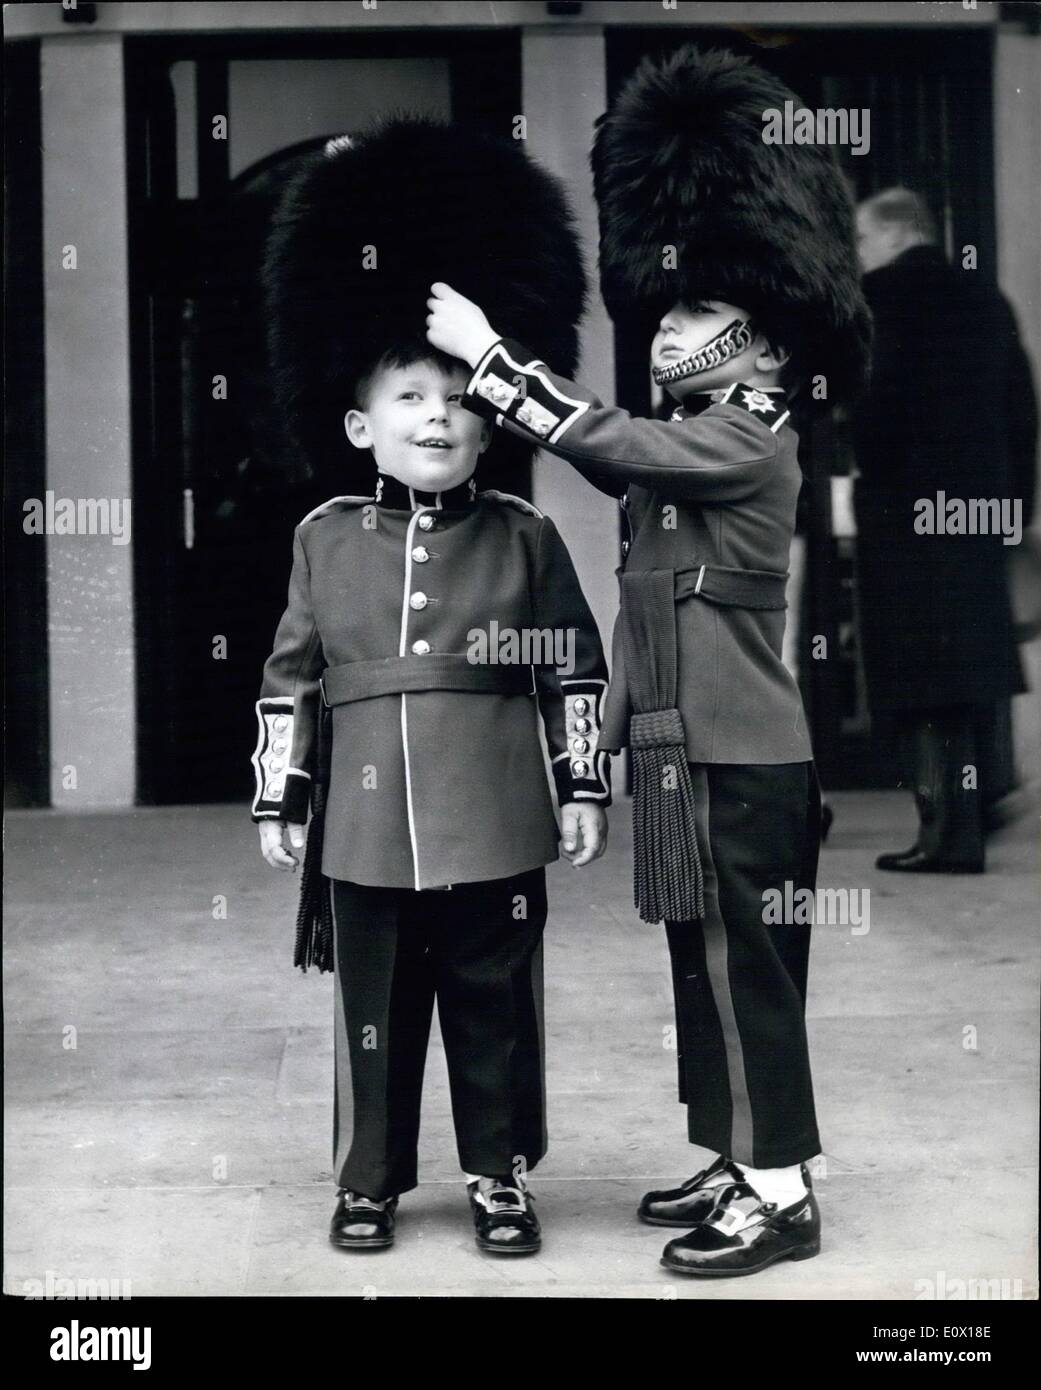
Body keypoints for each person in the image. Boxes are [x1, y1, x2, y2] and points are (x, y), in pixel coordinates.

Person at [426, 45, 872, 1278]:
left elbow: (604, 439)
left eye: (688, 312)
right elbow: (641, 609)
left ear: (757, 331)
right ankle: (741, 1154)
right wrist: (603, 752)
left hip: (741, 749)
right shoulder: (700, 434)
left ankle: (781, 1194)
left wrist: (491, 360)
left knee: (746, 976)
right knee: (705, 970)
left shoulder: (746, 434)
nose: (667, 327)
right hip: (686, 749)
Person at [252, 118, 610, 1256]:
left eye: (459, 396)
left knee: (496, 1001)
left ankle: (499, 1172)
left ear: (489, 420)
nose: (439, 415)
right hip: (360, 827)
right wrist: (282, 796)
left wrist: (584, 786)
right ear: (359, 425)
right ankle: (369, 1178)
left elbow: (571, 666)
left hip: (497, 810)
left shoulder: (523, 533)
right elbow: (294, 674)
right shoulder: (324, 537)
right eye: (410, 396)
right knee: (375, 1014)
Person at [853, 187, 1037, 872]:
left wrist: (864, 465)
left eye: (863, 238)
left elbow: (875, 402)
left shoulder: (880, 300)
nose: (858, 252)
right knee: (970, 667)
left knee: (918, 680)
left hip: (904, 515)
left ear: (898, 233)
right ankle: (984, 794)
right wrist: (1014, 505)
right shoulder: (987, 300)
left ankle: (944, 834)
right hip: (975, 514)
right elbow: (1022, 410)